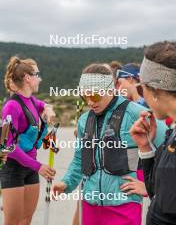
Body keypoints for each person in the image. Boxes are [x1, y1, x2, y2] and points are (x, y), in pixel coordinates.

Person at [52, 63, 167, 225]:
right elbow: (80, 159)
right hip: (90, 204)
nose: (90, 102)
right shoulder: (84, 120)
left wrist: (150, 186)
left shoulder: (135, 113)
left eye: (95, 96)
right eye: (85, 97)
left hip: (124, 204)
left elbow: (169, 152)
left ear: (111, 88)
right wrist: (66, 183)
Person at [0, 56, 56, 225]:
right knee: (13, 222)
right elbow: (6, 146)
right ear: (27, 78)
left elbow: (42, 104)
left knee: (26, 220)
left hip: (30, 168)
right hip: (13, 169)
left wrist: (48, 109)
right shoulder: (11, 106)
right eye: (37, 75)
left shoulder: (30, 99)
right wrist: (39, 167)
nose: (40, 78)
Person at [130, 41, 176, 224]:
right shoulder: (172, 131)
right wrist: (146, 147)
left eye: (142, 88)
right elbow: (157, 192)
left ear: (156, 90)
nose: (142, 96)